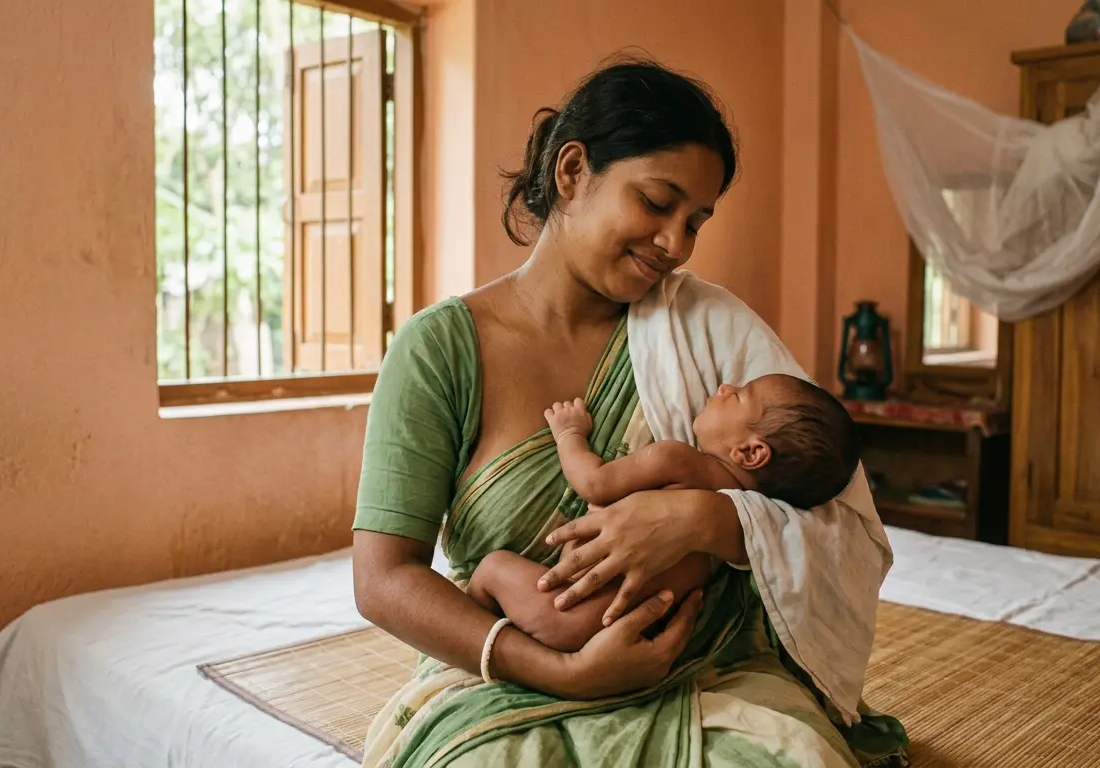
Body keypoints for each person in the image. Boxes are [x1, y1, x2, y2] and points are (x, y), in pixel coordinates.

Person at [351, 55, 909, 768]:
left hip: (708, 670)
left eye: (696, 221)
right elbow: (384, 578)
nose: (676, 244)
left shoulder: (706, 326)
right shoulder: (440, 351)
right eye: (656, 202)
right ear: (573, 171)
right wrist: (560, 672)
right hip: (506, 669)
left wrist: (713, 520)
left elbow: (844, 523)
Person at [466, 374, 861, 653]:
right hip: (634, 634)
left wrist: (569, 435)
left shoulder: (678, 460)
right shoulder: (743, 530)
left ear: (751, 452)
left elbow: (595, 483)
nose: (724, 387)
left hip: (567, 614)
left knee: (491, 567)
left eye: (739, 395)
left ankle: (473, 627)